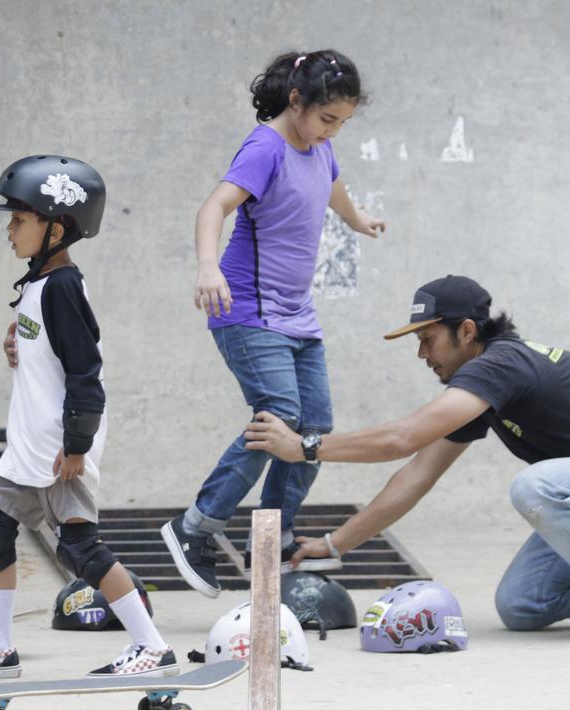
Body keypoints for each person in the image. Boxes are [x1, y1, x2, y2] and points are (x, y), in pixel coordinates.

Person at [245, 275, 570, 643]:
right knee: (521, 606)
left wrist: (304, 446)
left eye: (428, 338)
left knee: (535, 486)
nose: (422, 354)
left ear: (467, 331)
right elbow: (416, 473)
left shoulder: (502, 365)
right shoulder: (484, 389)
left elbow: (401, 439)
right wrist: (334, 544)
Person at [160, 50, 386, 598]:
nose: (331, 132)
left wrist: (356, 219)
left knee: (315, 430)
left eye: (342, 123)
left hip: (297, 316)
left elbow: (331, 186)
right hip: (247, 310)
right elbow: (214, 207)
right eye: (327, 118)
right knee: (279, 416)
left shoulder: (320, 148)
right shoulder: (266, 146)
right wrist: (207, 266)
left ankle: (274, 533)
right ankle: (196, 526)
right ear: (296, 101)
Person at [0, 155, 176, 678]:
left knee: (80, 549)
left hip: (61, 447)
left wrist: (78, 444)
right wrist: (19, 340)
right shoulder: (40, 285)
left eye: (19, 220)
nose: (9, 230)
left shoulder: (62, 287)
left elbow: (86, 371)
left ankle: (151, 646)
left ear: (55, 228)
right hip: (28, 444)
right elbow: (48, 351)